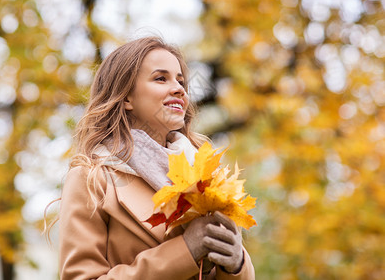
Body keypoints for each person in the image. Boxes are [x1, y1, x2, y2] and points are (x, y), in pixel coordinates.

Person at [58, 36, 255, 279]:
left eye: (181, 81)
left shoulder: (203, 173)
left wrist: (236, 265)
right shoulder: (91, 179)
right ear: (126, 97)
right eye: (161, 78)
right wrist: (186, 251)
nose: (179, 89)